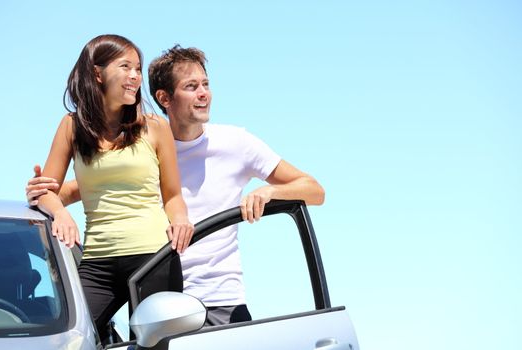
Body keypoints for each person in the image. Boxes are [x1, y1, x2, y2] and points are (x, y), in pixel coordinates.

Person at [27, 45, 325, 326]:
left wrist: (270, 191)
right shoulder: (142, 147)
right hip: (155, 291)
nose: (204, 94)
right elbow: (82, 189)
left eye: (206, 84)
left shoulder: (237, 143)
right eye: (191, 87)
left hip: (219, 300)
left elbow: (313, 189)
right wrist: (42, 192)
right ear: (164, 97)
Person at [32, 35, 194, 342]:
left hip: (154, 257)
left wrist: (181, 219)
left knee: (154, 345)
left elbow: (173, 195)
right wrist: (60, 214)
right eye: (126, 67)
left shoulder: (155, 127)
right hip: (97, 261)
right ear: (97, 73)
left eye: (138, 68)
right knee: (70, 340)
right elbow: (45, 190)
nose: (135, 76)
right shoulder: (71, 126)